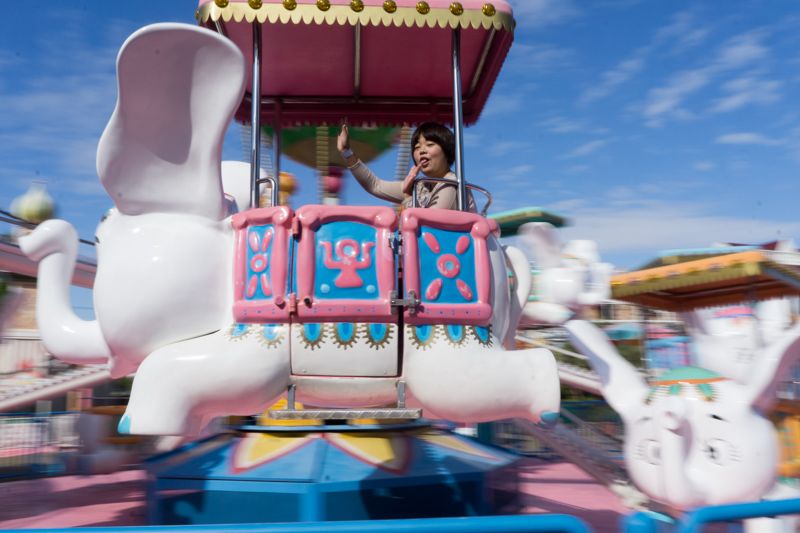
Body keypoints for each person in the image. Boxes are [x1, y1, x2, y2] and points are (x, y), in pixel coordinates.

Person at [337, 122, 477, 212]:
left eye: (430, 145)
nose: (422, 150)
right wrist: (346, 152)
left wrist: (408, 197)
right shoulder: (420, 186)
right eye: (417, 147)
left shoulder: (451, 182)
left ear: (447, 151)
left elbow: (429, 224)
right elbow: (375, 186)